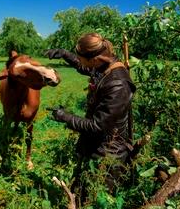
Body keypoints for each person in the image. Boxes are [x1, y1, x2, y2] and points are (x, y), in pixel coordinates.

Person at [45, 32, 136, 197]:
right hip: (94, 147)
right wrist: (64, 54)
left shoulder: (118, 84)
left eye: (81, 58)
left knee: (95, 201)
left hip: (108, 156)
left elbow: (97, 126)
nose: (79, 62)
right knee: (79, 195)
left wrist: (64, 116)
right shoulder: (104, 66)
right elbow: (84, 67)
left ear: (95, 59)